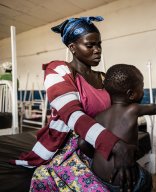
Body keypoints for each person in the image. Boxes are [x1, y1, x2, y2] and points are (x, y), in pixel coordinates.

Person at [10, 16, 137, 191]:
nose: (98, 50)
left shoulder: (104, 78)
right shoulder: (57, 70)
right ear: (73, 48)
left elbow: (120, 108)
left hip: (99, 139)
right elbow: (72, 115)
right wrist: (114, 144)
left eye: (99, 44)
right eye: (90, 45)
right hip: (70, 144)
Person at [79, 64, 156, 191]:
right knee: (146, 178)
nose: (143, 91)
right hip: (124, 182)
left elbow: (82, 143)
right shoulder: (132, 109)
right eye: (142, 87)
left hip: (98, 176)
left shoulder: (99, 116)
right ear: (131, 94)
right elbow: (153, 108)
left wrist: (97, 155)